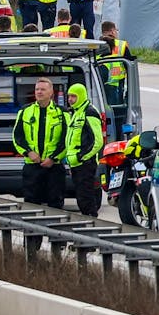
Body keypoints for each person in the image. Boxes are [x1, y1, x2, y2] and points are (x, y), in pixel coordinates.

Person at [12, 78, 67, 210]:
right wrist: (28, 152)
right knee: (31, 205)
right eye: (37, 89)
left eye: (43, 89)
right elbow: (17, 136)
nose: (39, 92)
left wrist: (53, 158)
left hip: (54, 166)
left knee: (55, 205)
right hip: (32, 166)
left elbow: (67, 139)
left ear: (51, 92)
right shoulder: (25, 111)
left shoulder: (62, 112)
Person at [64, 83, 104, 217]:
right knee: (82, 198)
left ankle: (92, 226)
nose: (70, 99)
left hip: (85, 163)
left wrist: (82, 157)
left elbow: (97, 141)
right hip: (75, 163)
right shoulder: (76, 112)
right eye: (69, 96)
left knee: (86, 199)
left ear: (81, 96)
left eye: (73, 96)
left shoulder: (89, 112)